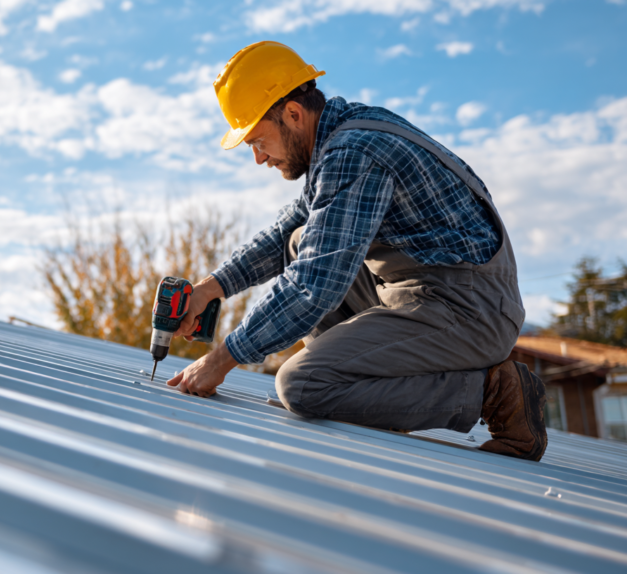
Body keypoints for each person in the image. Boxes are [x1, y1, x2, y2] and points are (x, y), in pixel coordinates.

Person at [165, 41, 547, 461]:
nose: (258, 158)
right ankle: (376, 396)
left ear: (293, 113)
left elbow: (314, 284)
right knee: (299, 243)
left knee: (303, 386)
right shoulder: (339, 136)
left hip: (472, 307)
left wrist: (221, 359)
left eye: (258, 141)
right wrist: (209, 289)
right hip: (426, 290)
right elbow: (285, 234)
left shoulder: (353, 152)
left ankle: (494, 392)